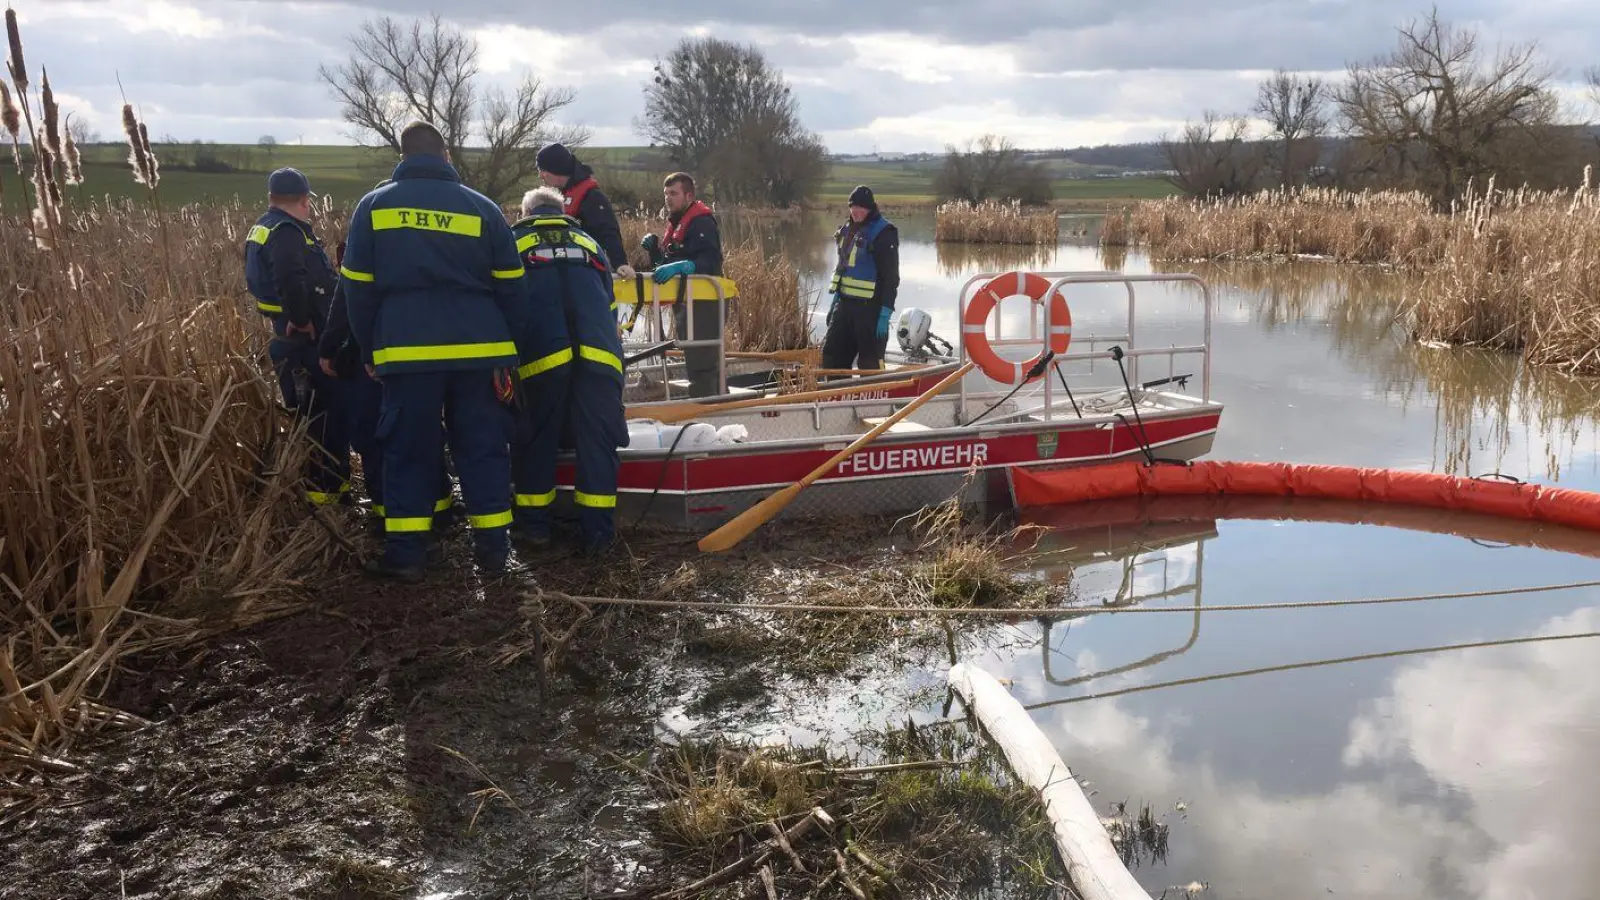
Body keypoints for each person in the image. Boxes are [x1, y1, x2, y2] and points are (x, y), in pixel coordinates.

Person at [339, 121, 530, 580]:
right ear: (446, 156)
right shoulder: (482, 208)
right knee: (483, 447)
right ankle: (492, 552)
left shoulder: (373, 207)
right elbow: (513, 288)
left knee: (407, 449)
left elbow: (357, 290)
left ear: (401, 159)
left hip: (405, 351)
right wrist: (509, 350)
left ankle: (407, 555)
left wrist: (370, 348)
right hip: (480, 349)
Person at [508, 186, 629, 555]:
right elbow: (609, 305)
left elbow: (505, 305)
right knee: (597, 442)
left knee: (535, 440)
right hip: (600, 356)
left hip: (542, 358)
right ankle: (598, 536)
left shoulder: (513, 243)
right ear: (561, 211)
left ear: (525, 212)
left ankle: (535, 530)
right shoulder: (590, 243)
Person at [318, 232, 455, 537]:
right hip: (423, 361)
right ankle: (441, 511)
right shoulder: (426, 256)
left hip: (373, 364)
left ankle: (388, 519)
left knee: (375, 437)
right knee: (426, 431)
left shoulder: (363, 250)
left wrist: (328, 351)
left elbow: (344, 306)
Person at [243, 167, 349, 507]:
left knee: (307, 417)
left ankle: (325, 491)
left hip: (283, 338)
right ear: (303, 200)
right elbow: (290, 276)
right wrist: (301, 319)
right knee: (323, 418)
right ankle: (328, 494)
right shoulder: (289, 231)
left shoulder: (262, 227)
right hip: (304, 342)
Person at [642, 172, 724, 397]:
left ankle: (709, 409)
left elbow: (711, 261)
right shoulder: (678, 222)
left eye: (674, 193)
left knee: (702, 359)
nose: (668, 198)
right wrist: (655, 251)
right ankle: (706, 402)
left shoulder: (701, 222)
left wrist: (684, 266)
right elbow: (666, 264)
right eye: (666, 193)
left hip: (705, 302)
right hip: (687, 301)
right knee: (693, 355)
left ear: (688, 195)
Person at [821, 185, 899, 371]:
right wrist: (836, 300)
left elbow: (891, 277)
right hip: (845, 305)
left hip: (871, 310)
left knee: (870, 363)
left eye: (861, 208)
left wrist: (886, 311)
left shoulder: (884, 233)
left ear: (870, 208)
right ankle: (836, 396)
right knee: (831, 356)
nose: (856, 211)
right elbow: (845, 268)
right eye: (853, 207)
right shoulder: (847, 230)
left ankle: (873, 398)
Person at [533, 141, 632, 278]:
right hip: (566, 270)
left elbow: (608, 231)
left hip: (588, 271)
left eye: (542, 170)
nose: (540, 176)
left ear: (555, 169)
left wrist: (620, 263)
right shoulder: (562, 193)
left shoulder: (592, 197)